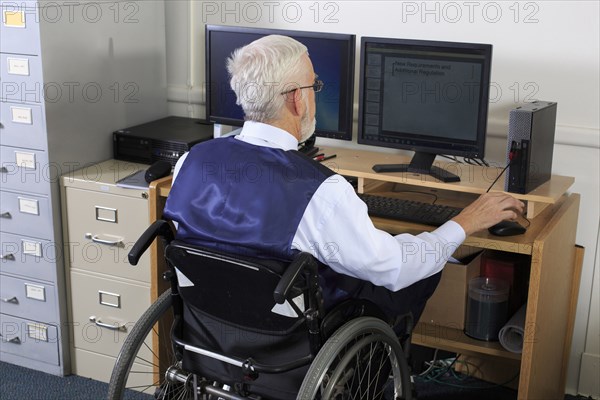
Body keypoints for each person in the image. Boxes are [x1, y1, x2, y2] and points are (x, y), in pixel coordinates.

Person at [163, 34, 524, 333]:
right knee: (420, 270)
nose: (315, 93)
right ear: (296, 99)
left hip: (215, 325)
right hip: (294, 334)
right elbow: (395, 269)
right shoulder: (319, 190)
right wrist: (464, 223)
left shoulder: (190, 163)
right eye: (314, 85)